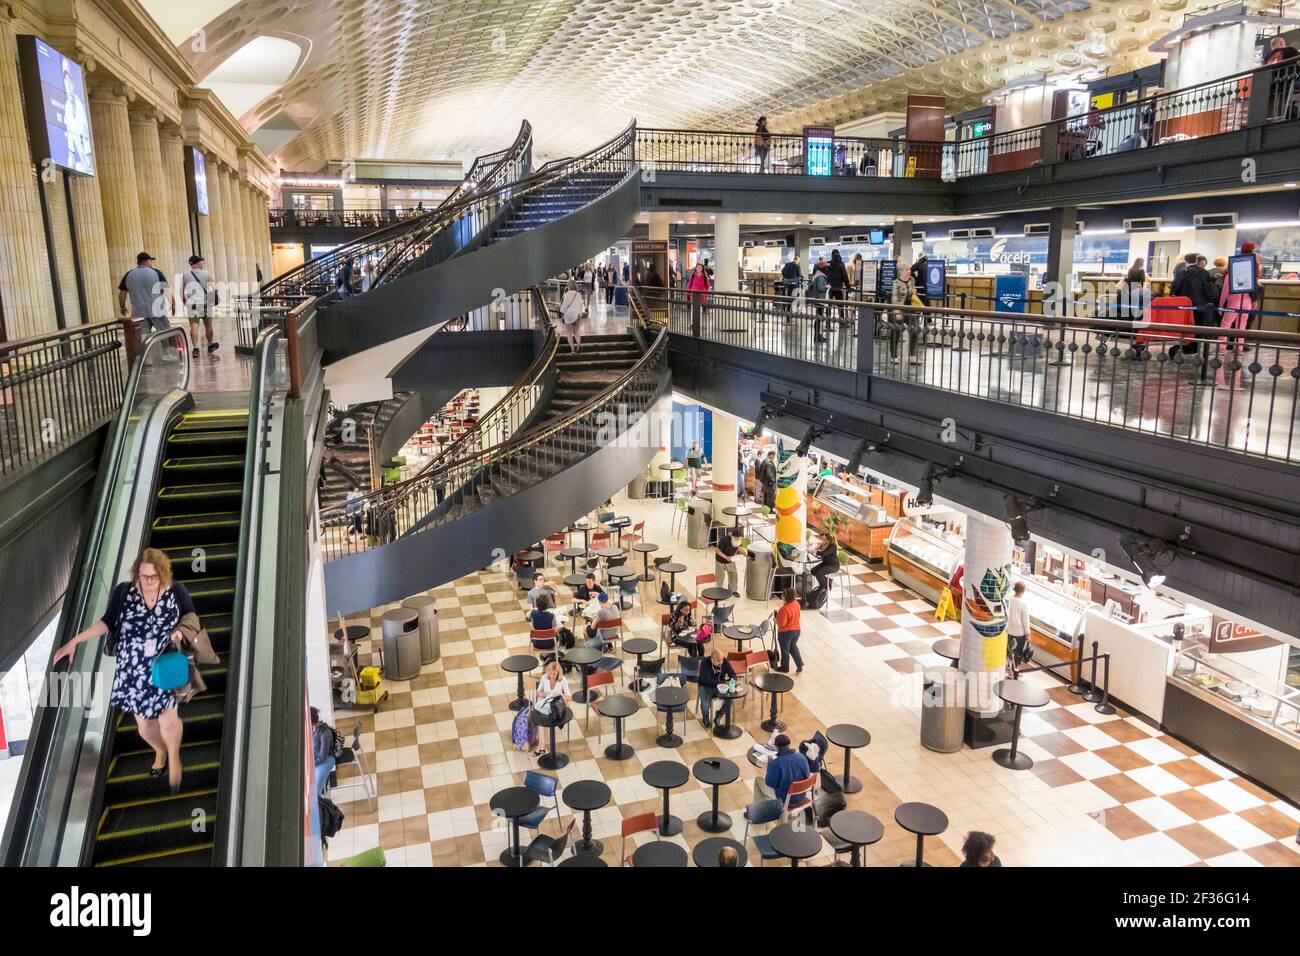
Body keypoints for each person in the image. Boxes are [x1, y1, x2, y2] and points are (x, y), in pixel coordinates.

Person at [53, 548, 196, 792]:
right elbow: (108, 621)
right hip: (133, 670)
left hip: (165, 663)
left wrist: (180, 632)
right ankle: (159, 749)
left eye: (152, 577)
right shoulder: (124, 592)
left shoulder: (176, 591)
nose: (147, 581)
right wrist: (75, 641)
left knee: (169, 718)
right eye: (142, 576)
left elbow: (191, 615)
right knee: (145, 726)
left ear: (162, 574)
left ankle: (172, 756)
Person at [118, 251, 173, 332]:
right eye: (151, 261)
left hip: (139, 313)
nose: (151, 263)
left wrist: (122, 307)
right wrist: (173, 303)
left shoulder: (128, 275)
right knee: (166, 335)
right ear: (147, 261)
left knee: (143, 339)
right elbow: (166, 289)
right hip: (157, 311)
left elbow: (122, 293)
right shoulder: (156, 272)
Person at [528, 659, 571, 756]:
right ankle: (541, 745)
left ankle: (541, 746)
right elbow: (538, 692)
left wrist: (559, 697)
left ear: (558, 673)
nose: (552, 676)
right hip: (545, 703)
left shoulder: (562, 679)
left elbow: (569, 697)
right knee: (543, 718)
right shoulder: (544, 677)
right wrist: (543, 695)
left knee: (544, 719)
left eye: (554, 674)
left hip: (556, 706)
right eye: (550, 673)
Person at [182, 254, 219, 358]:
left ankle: (195, 348)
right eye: (200, 262)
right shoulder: (206, 273)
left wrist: (184, 300)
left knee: (194, 326)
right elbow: (215, 288)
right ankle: (210, 344)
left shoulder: (186, 275)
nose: (202, 263)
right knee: (208, 325)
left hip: (192, 304)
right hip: (205, 303)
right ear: (198, 263)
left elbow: (182, 289)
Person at [761, 733, 811, 806]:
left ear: (778, 747)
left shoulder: (777, 763)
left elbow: (769, 783)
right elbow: (807, 775)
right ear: (789, 744)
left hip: (785, 799)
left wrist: (770, 764)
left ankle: (758, 812)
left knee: (758, 782)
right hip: (801, 795)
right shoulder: (801, 757)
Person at [697, 649, 737, 729]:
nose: (720, 664)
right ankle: (705, 716)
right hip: (705, 686)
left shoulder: (724, 661)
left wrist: (732, 680)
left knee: (730, 699)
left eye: (721, 661)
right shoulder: (704, 663)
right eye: (718, 662)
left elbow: (733, 674)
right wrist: (722, 683)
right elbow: (707, 680)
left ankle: (719, 714)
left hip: (720, 686)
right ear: (712, 660)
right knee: (705, 704)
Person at [822, 248, 851, 339]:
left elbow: (824, 274)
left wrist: (826, 283)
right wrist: (848, 286)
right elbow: (845, 276)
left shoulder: (828, 263)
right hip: (838, 287)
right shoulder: (840, 264)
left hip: (829, 288)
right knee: (841, 305)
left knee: (828, 305)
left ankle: (827, 323)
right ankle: (842, 322)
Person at [775, 586, 802, 674]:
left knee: (785, 651)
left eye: (783, 595)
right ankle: (799, 664)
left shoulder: (784, 609)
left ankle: (785, 668)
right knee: (793, 647)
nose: (782, 596)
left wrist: (775, 620)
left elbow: (781, 624)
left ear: (786, 597)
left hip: (786, 633)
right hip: (797, 630)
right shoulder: (796, 604)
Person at [311, 706, 338, 795]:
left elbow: (322, 757)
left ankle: (320, 805)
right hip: (317, 761)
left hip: (327, 760)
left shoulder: (325, 733)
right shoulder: (314, 730)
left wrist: (310, 763)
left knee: (315, 791)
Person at [1006, 581, 1030, 674]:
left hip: (1010, 629)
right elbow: (1025, 620)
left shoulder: (1010, 600)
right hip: (1020, 632)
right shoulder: (1024, 604)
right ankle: (1015, 670)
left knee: (1009, 650)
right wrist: (1028, 634)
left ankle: (1008, 667)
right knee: (1018, 652)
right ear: (1023, 591)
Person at [715, 527, 743, 597]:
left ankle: (733, 590)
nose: (738, 540)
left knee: (734, 575)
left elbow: (739, 548)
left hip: (731, 560)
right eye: (736, 538)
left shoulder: (739, 539)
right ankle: (719, 591)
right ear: (732, 537)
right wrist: (726, 557)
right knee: (720, 577)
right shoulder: (724, 539)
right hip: (720, 561)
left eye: (739, 538)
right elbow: (717, 550)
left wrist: (745, 555)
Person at [808, 532, 839, 596]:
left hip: (833, 565)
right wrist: (815, 547)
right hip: (826, 563)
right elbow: (820, 547)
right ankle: (828, 581)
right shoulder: (825, 544)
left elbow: (824, 553)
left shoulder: (832, 546)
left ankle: (824, 590)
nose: (823, 540)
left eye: (824, 539)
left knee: (819, 574)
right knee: (813, 571)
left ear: (829, 540)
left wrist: (815, 551)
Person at [559, 279, 584, 353]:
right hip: (577, 315)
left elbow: (564, 306)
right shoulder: (578, 294)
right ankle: (579, 345)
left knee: (569, 333)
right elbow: (581, 305)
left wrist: (561, 311)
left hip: (569, 315)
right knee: (576, 332)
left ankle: (572, 349)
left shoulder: (566, 295)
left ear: (568, 286)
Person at [686, 262, 711, 330]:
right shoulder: (693, 275)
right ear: (696, 268)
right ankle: (692, 323)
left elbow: (707, 286)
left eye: (700, 268)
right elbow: (689, 284)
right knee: (693, 309)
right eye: (697, 267)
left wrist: (706, 295)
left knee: (699, 310)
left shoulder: (705, 277)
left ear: (702, 269)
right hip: (693, 295)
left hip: (701, 296)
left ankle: (698, 323)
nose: (699, 269)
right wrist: (688, 293)